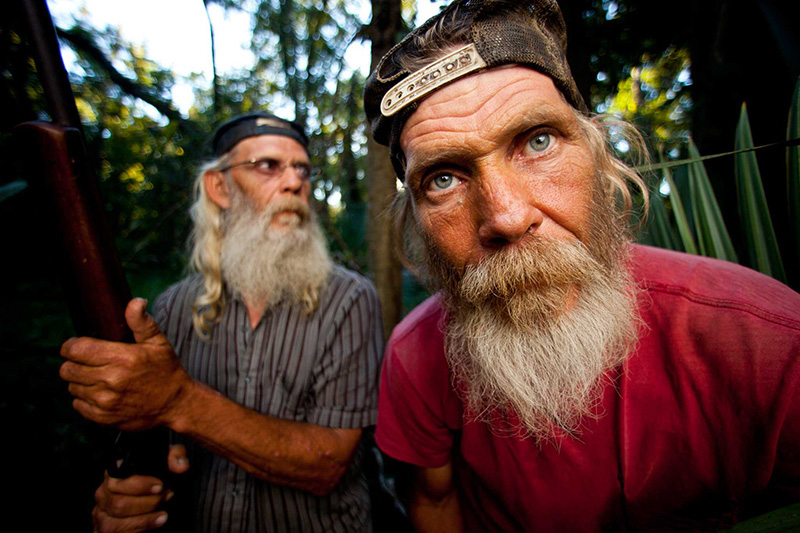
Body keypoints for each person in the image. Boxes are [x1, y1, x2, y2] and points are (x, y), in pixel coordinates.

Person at [363, 0, 800, 530]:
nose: (506, 216)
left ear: (598, 156)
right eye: (444, 179)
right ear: (416, 223)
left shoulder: (770, 344)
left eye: (537, 142)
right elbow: (433, 501)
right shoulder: (416, 357)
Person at [59, 112, 385, 532]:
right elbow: (152, 451)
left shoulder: (350, 299)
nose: (294, 183)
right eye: (268, 166)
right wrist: (125, 499)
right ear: (219, 186)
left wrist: (179, 400)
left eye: (302, 169)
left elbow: (326, 465)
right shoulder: (173, 307)